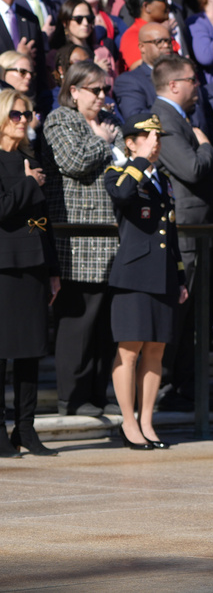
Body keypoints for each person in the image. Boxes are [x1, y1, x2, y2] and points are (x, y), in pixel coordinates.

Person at [42, 61, 122, 417]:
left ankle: (96, 395)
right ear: (73, 91)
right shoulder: (60, 119)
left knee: (103, 324)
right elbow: (72, 160)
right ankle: (71, 398)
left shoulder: (109, 123)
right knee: (78, 321)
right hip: (78, 241)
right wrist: (103, 142)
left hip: (112, 237)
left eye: (105, 90)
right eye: (95, 90)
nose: (102, 97)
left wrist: (108, 138)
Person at [103, 113, 186, 450]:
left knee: (156, 350)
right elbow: (122, 196)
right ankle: (128, 421)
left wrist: (179, 276)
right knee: (130, 349)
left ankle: (147, 421)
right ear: (131, 141)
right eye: (149, 136)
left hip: (162, 274)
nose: (156, 143)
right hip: (134, 274)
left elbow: (172, 233)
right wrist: (138, 160)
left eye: (158, 137)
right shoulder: (119, 173)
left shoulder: (162, 180)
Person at [150, 55, 213, 412]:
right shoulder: (165, 118)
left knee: (193, 316)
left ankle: (184, 387)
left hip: (198, 231)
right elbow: (191, 169)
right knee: (181, 313)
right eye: (193, 79)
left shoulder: (178, 117)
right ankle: (165, 387)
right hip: (186, 233)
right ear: (174, 84)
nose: (198, 86)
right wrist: (207, 146)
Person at [0, 88, 60, 456]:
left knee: (30, 351)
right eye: (16, 114)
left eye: (27, 114)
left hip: (34, 265)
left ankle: (26, 427)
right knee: (2, 353)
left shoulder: (29, 158)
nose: (23, 121)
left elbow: (42, 222)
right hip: (4, 266)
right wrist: (29, 184)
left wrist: (52, 268)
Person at [111, 22, 175, 118]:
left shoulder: (181, 74)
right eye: (159, 42)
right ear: (142, 47)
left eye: (168, 41)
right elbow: (136, 117)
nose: (166, 45)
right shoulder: (129, 81)